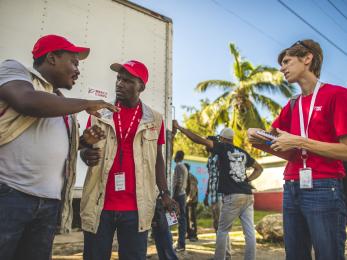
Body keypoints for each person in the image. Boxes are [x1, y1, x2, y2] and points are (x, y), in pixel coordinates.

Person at [0, 34, 117, 260]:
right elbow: (26, 101)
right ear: (52, 58)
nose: (78, 70)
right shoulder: (16, 71)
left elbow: (52, 146)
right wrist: (86, 103)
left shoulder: (61, 103)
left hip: (48, 204)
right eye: (74, 62)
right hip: (10, 197)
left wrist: (84, 143)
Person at [248, 39, 347, 260]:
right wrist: (259, 137)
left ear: (307, 58)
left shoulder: (337, 95)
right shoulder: (292, 104)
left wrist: (299, 141)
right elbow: (279, 143)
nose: (281, 68)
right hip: (291, 186)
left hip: (325, 185)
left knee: (329, 254)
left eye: (286, 61)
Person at [80, 60, 177, 260]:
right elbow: (85, 147)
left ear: (141, 86)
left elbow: (157, 159)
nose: (119, 84)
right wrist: (85, 155)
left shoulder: (154, 119)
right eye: (118, 79)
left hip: (137, 208)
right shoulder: (100, 113)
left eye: (127, 80)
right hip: (100, 205)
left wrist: (165, 192)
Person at [173, 121, 263, 260]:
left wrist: (180, 128)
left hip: (233, 196)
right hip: (248, 195)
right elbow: (259, 168)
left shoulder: (222, 147)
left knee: (222, 230)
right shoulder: (242, 152)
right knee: (249, 232)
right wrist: (247, 180)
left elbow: (199, 140)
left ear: (222, 138)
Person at [203, 136, 223, 233]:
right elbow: (210, 178)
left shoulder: (219, 157)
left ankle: (225, 248)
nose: (205, 144)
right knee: (216, 223)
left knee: (221, 224)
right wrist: (206, 195)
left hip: (220, 195)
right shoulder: (209, 159)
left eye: (207, 142)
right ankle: (220, 246)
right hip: (213, 196)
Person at [172, 150, 188, 252]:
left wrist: (174, 197)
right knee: (182, 219)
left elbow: (178, 182)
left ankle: (181, 245)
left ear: (177, 156)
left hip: (179, 195)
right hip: (182, 195)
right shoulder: (184, 167)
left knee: (181, 220)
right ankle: (180, 243)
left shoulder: (178, 166)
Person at [184, 163, 199, 242]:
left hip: (192, 201)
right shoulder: (186, 177)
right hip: (187, 201)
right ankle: (189, 234)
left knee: (191, 218)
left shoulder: (191, 177)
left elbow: (193, 190)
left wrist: (188, 200)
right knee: (186, 217)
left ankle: (193, 235)